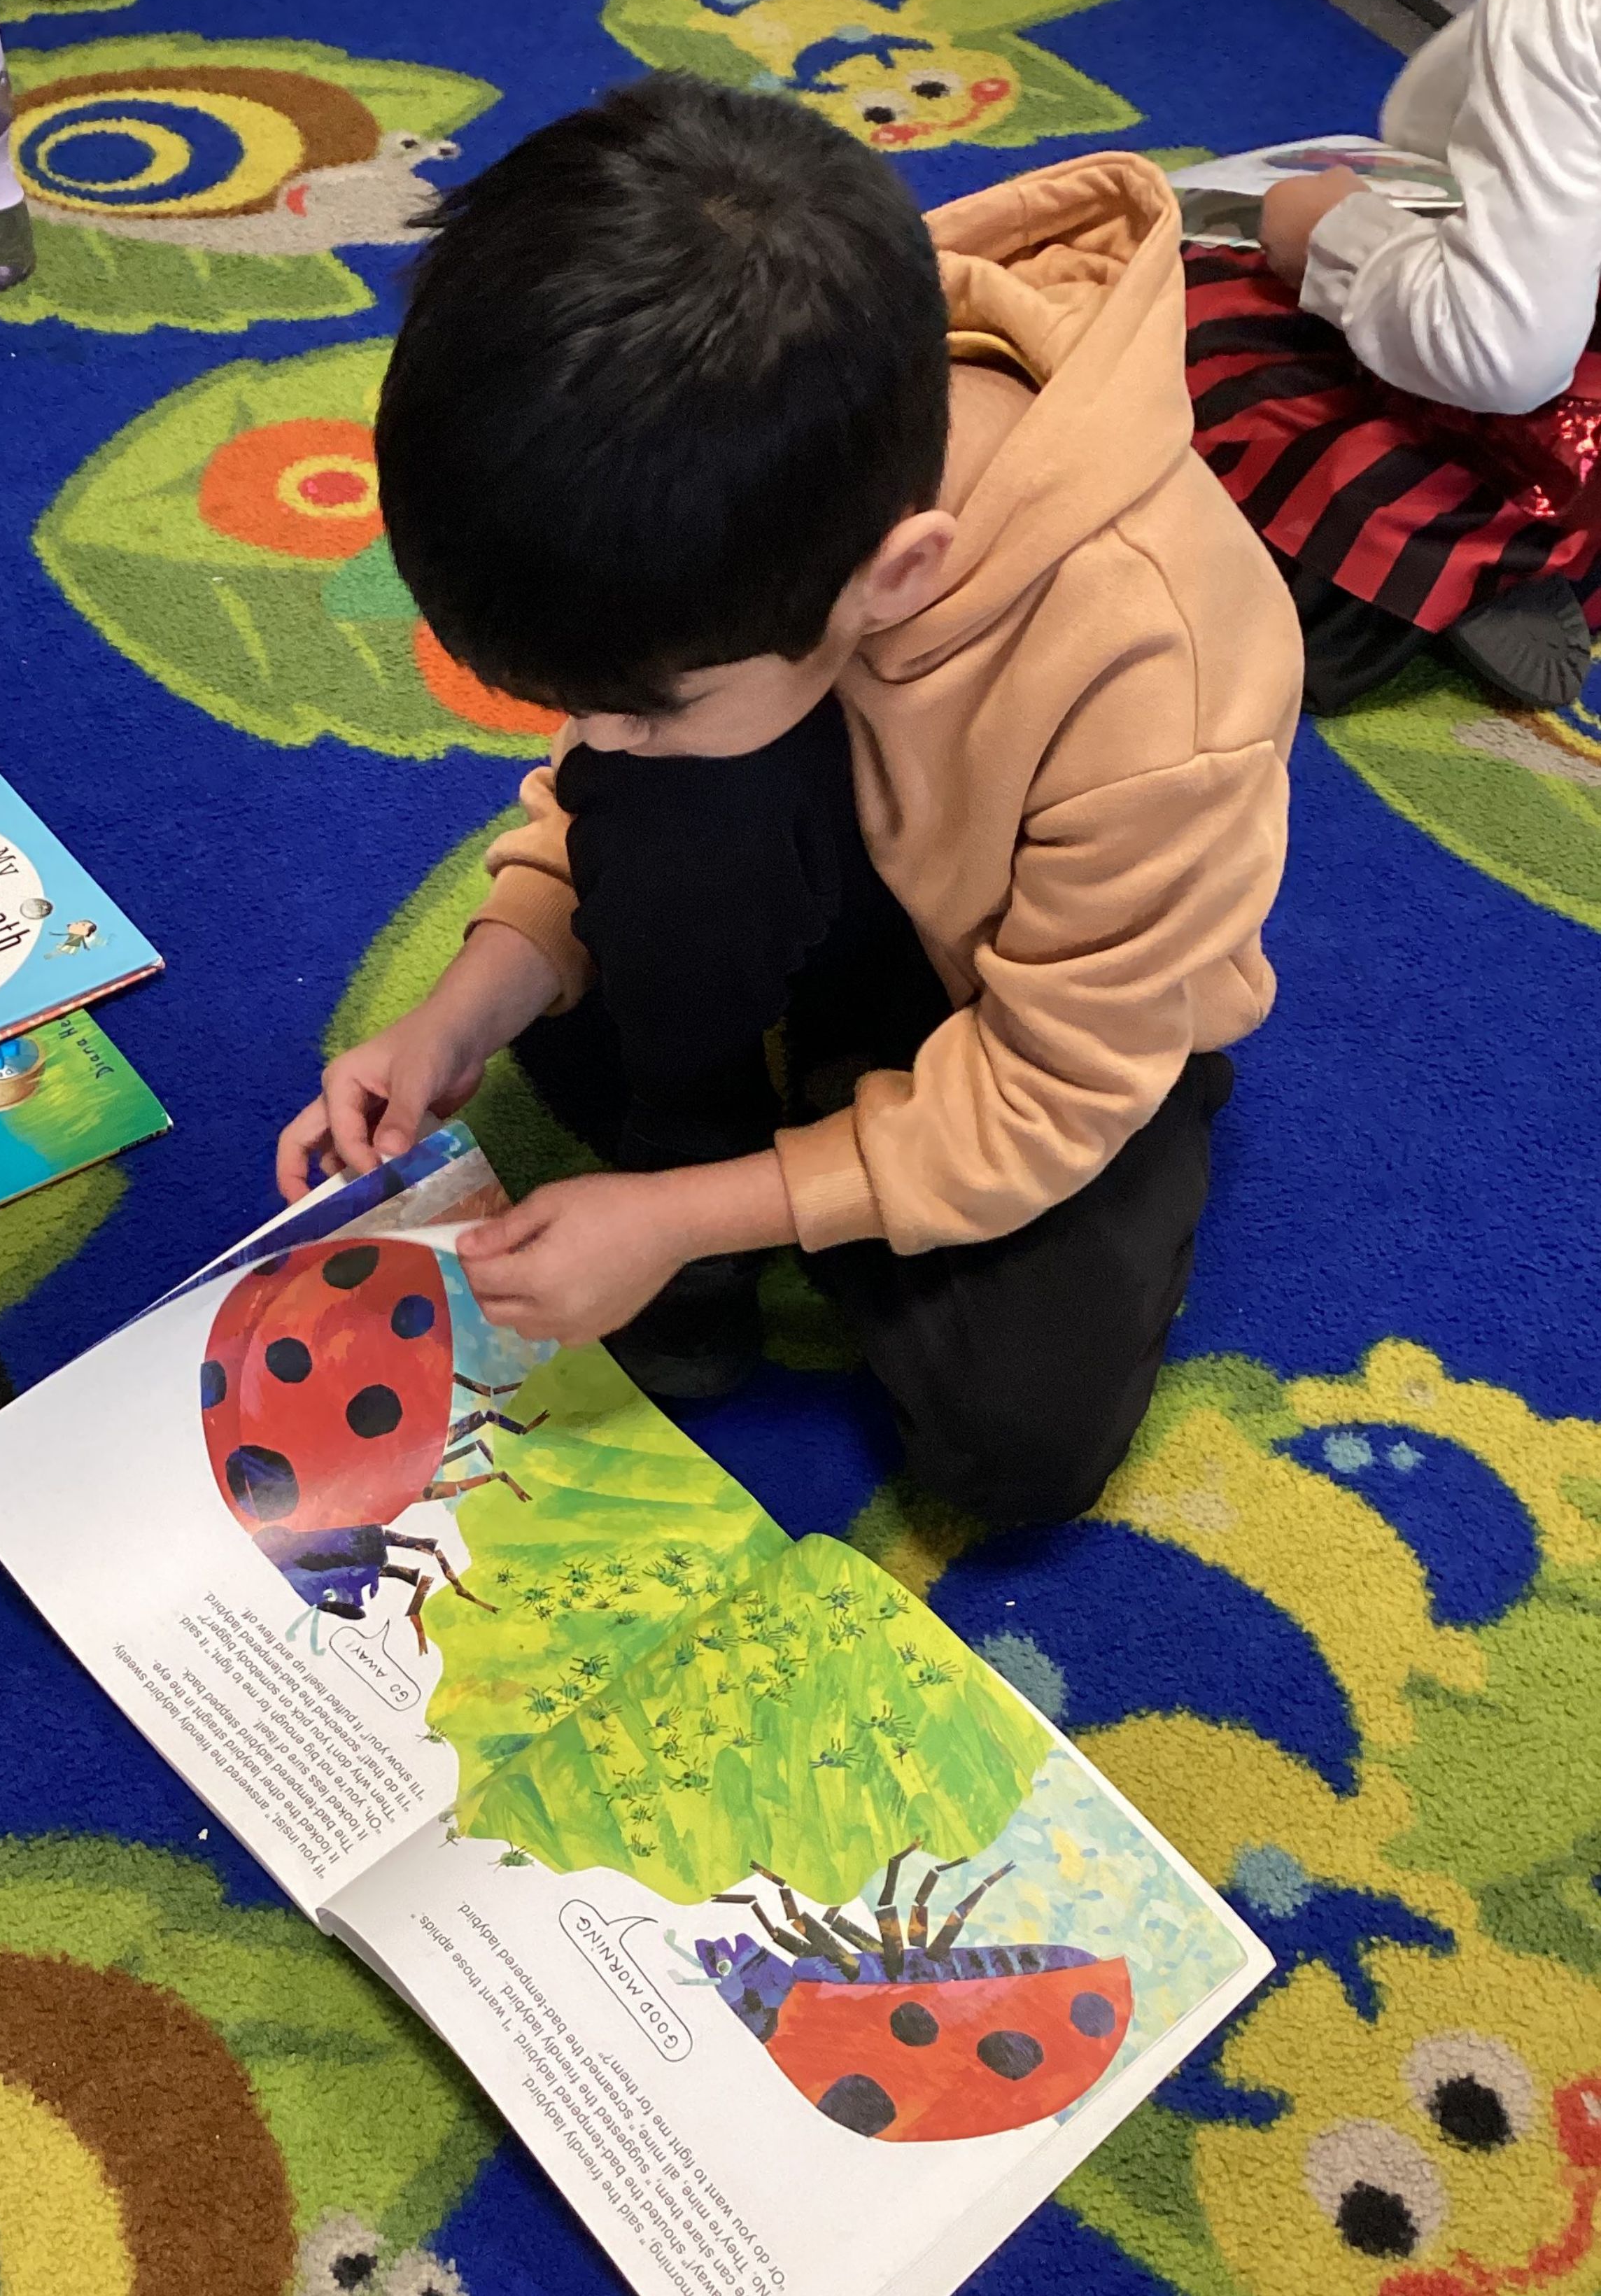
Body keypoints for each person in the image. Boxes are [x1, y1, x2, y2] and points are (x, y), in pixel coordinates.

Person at [275, 78, 1299, 1529]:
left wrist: (684, 1212)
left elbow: (1055, 1087)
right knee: (616, 902)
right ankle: (767, 1131)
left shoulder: (1156, 678)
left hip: (1053, 1013)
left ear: (898, 577)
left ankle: (782, 1139)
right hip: (828, 850)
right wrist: (465, 1005)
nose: (596, 738)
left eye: (636, 705)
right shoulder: (738, 474)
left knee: (1017, 1442)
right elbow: (597, 790)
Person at [1192, 0, 1601, 714]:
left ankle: (1454, 561)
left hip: (1537, 404)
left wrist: (1335, 240)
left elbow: (1499, 353)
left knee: (1175, 297)